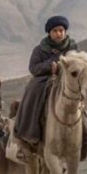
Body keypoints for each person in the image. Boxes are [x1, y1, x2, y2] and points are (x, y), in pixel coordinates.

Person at [14, 16, 78, 145]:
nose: (59, 34)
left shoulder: (72, 46)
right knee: (33, 91)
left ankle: (85, 130)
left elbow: (77, 62)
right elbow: (33, 68)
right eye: (55, 31)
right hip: (45, 78)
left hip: (68, 77)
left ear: (65, 31)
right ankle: (29, 130)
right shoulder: (39, 49)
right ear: (49, 33)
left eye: (61, 30)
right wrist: (50, 65)